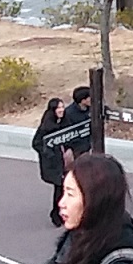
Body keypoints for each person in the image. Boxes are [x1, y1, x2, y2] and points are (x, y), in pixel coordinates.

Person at [30, 93, 92, 223]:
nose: (61, 110)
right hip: (55, 164)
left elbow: (74, 137)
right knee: (59, 188)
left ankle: (68, 211)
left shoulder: (66, 123)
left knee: (69, 186)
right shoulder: (45, 128)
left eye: (62, 107)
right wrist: (50, 154)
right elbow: (37, 144)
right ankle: (56, 214)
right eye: (58, 108)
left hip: (67, 160)